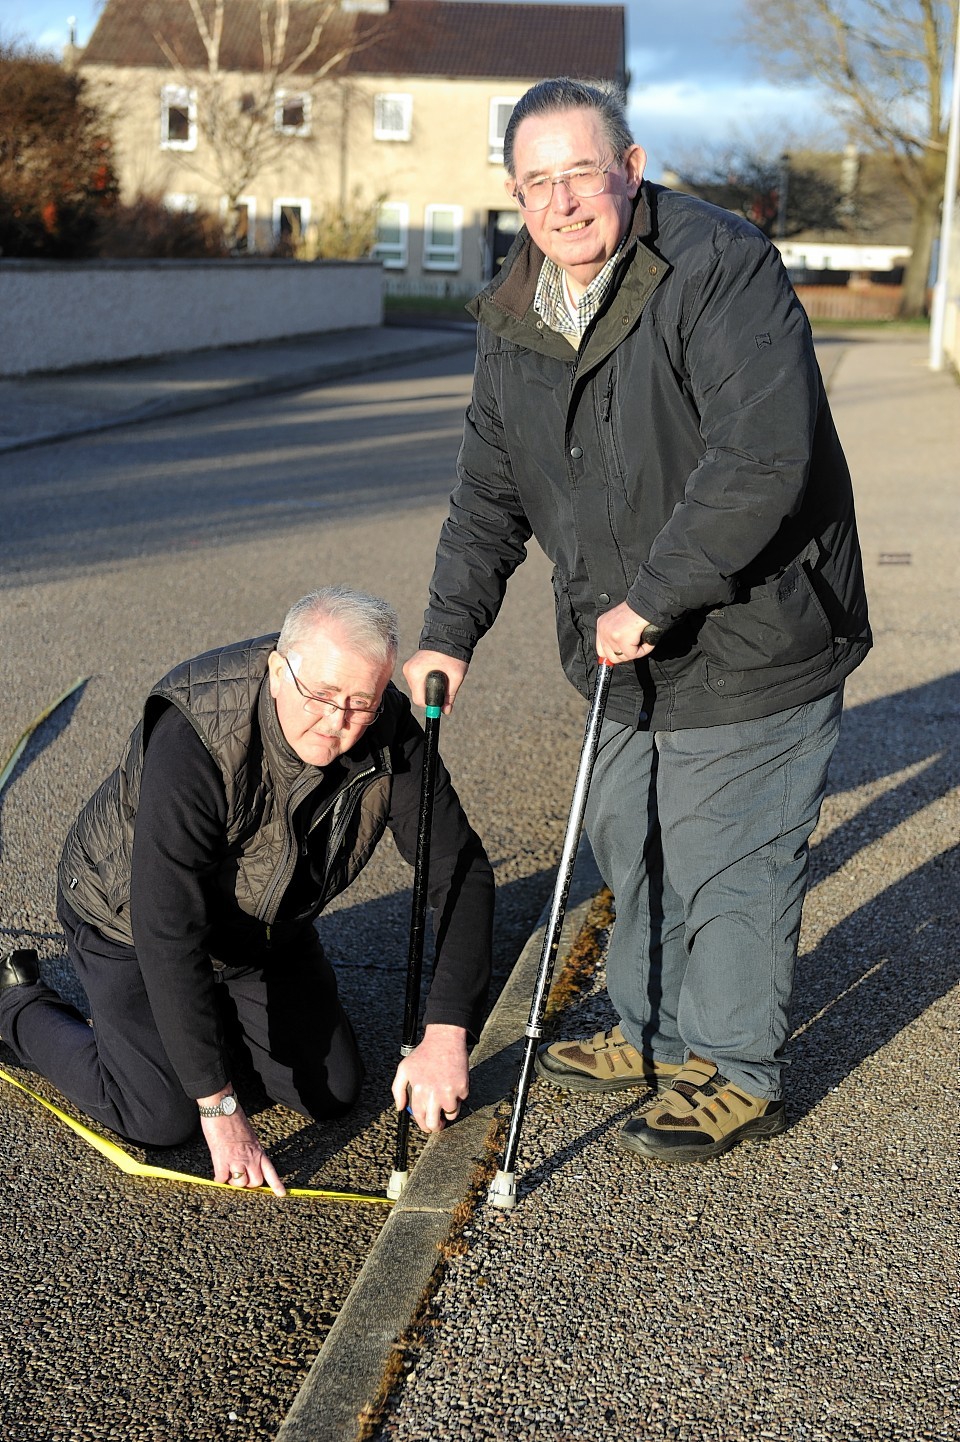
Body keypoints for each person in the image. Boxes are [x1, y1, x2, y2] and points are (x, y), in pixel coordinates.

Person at [404, 78, 870, 1165]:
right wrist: (448, 631)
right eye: (536, 183)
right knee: (631, 834)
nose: (561, 202)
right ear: (514, 196)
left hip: (755, 628)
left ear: (630, 165)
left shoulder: (719, 266)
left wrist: (654, 597)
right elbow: (488, 493)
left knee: (729, 857)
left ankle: (734, 1064)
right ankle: (652, 1030)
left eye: (580, 172)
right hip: (621, 649)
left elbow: (763, 458)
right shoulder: (517, 309)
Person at [0, 586, 493, 1196]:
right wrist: (217, 1103)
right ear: (278, 670)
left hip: (260, 930)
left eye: (359, 703)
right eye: (321, 695)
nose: (337, 722)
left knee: (333, 1091)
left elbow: (460, 869)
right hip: (124, 919)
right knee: (162, 1115)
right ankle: (19, 1008)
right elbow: (166, 925)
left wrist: (447, 1032)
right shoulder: (196, 732)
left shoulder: (388, 728)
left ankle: (195, 1026)